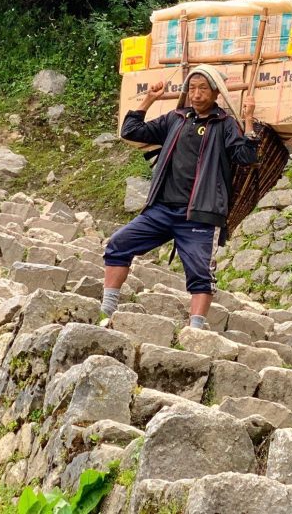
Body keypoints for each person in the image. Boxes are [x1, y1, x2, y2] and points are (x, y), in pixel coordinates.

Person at [101, 65, 259, 328]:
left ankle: (195, 332)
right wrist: (149, 98)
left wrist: (249, 119)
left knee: (200, 275)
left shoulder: (225, 124)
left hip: (200, 215)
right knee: (118, 244)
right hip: (161, 210)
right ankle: (106, 310)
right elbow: (131, 130)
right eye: (192, 88)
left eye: (203, 89)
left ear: (216, 93)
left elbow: (247, 156)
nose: (196, 95)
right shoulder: (176, 118)